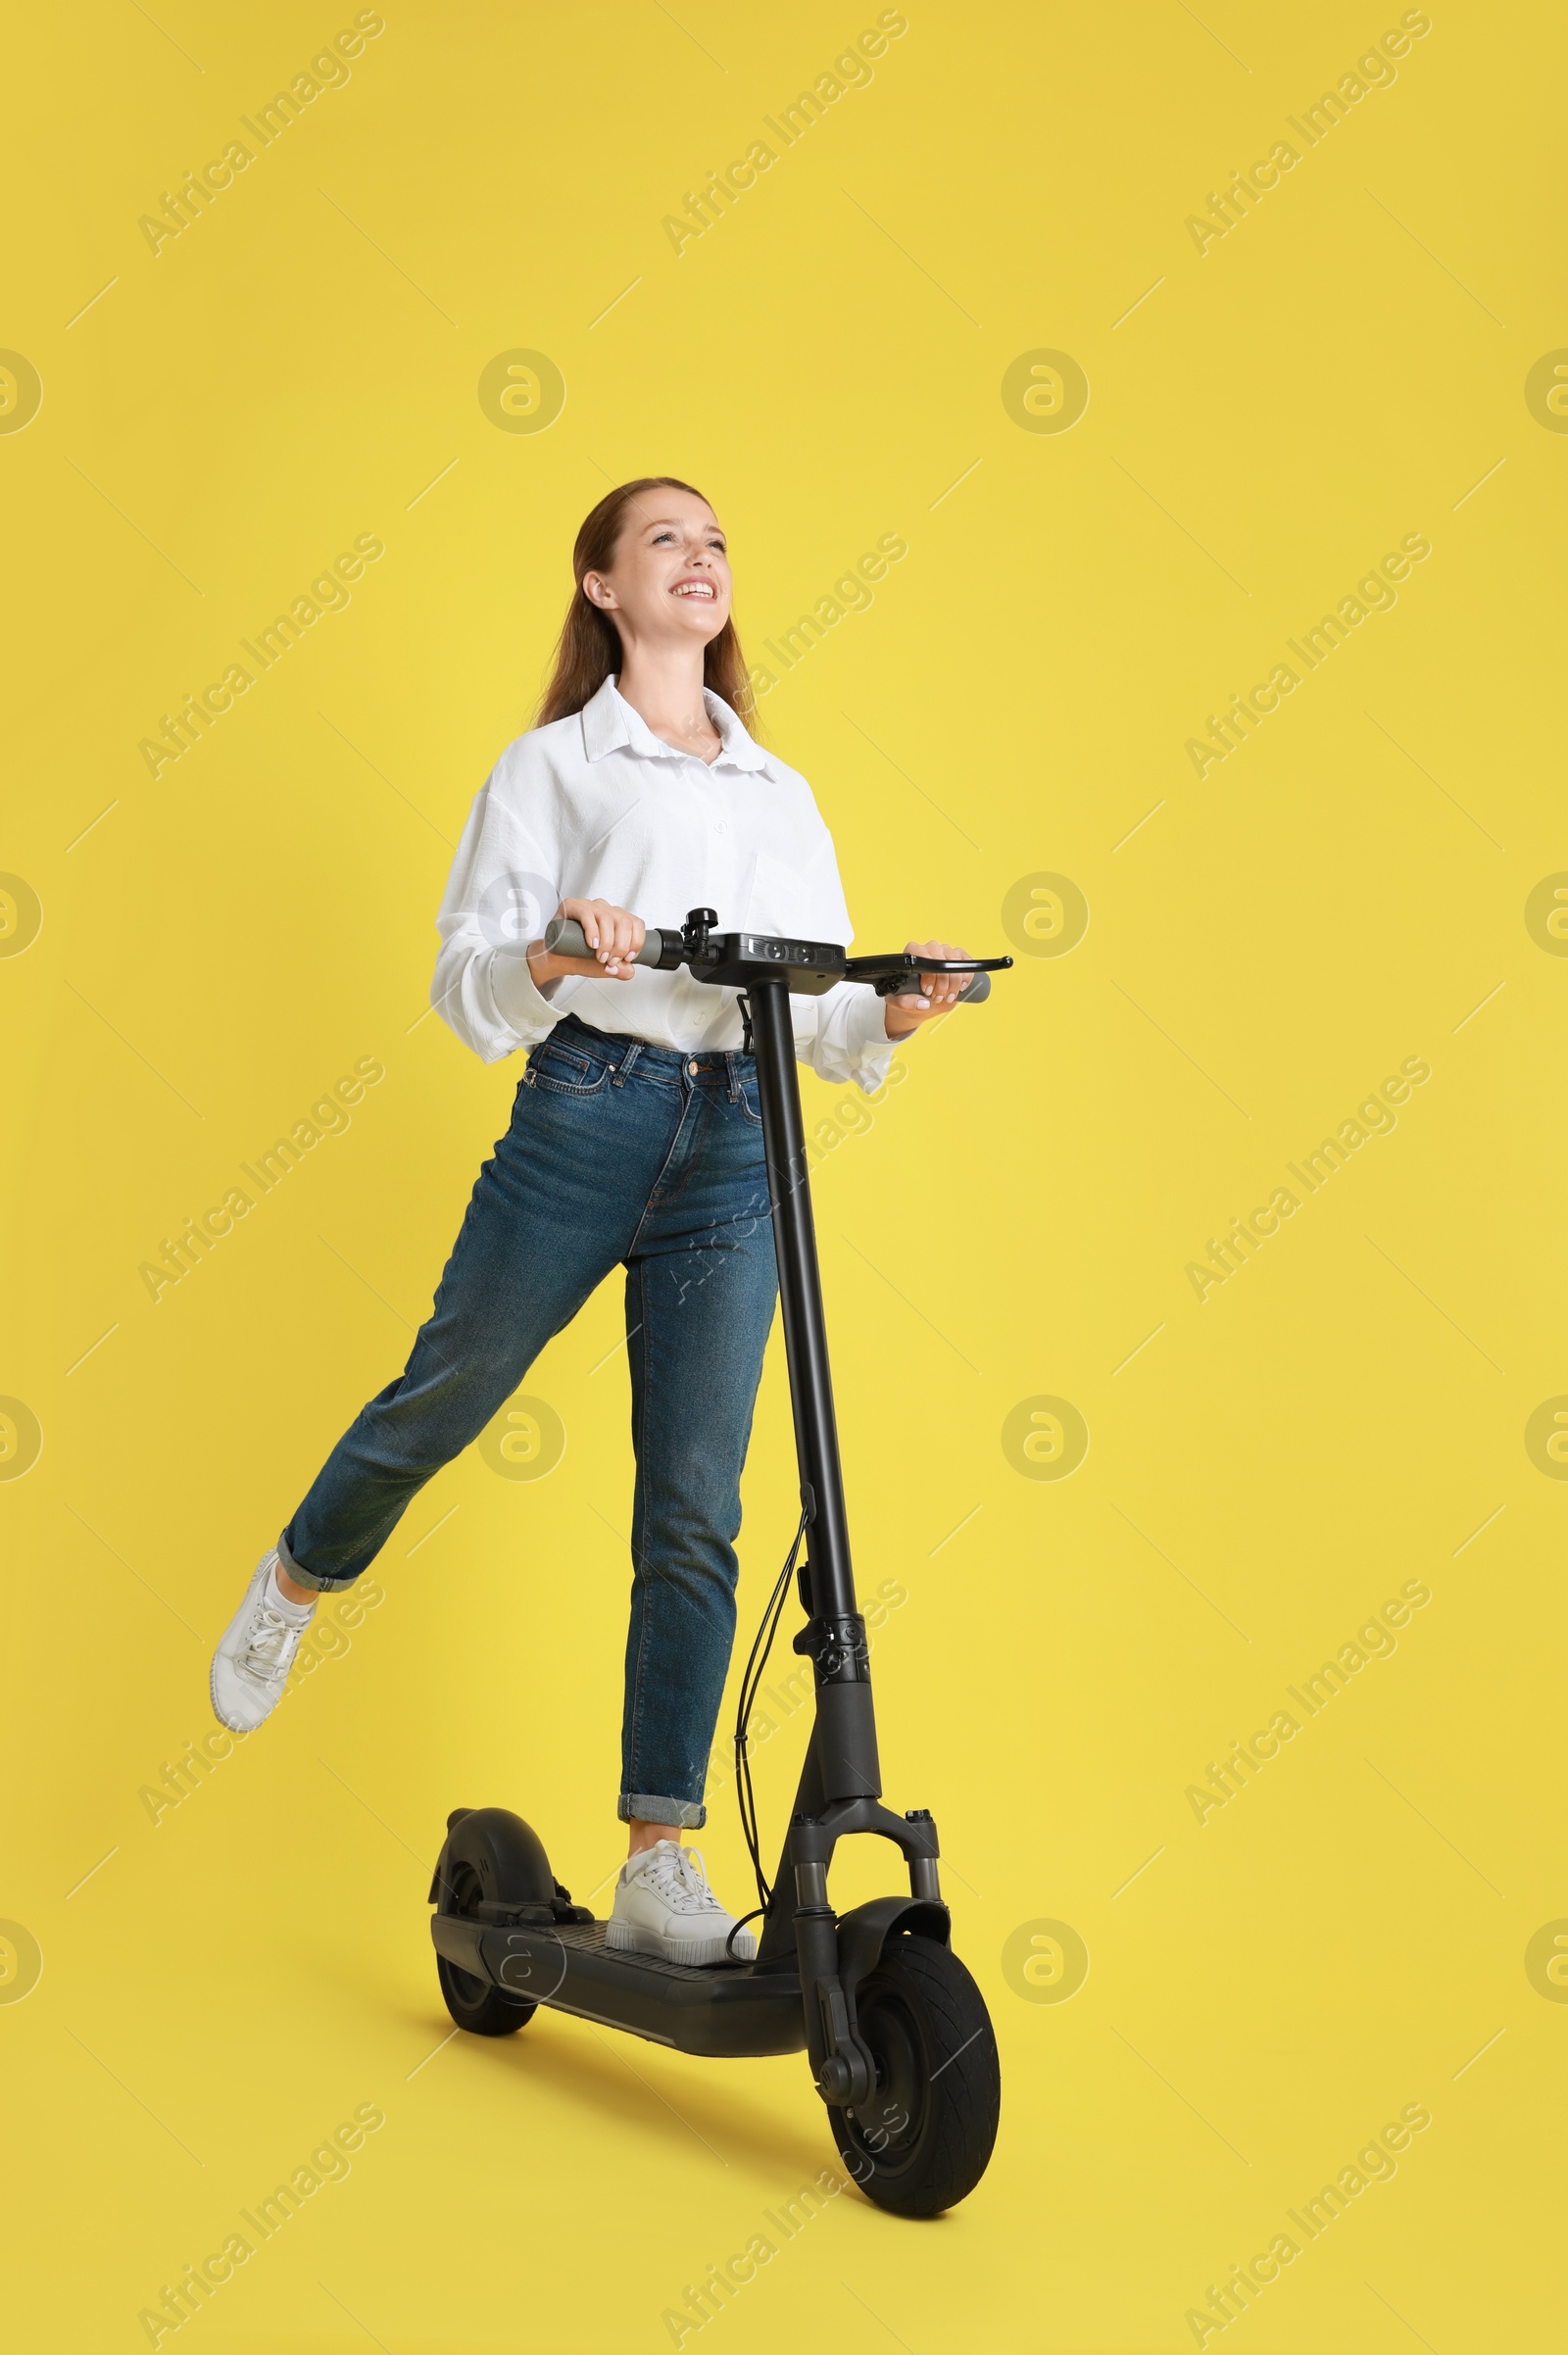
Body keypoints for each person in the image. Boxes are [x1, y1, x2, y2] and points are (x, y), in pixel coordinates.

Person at [210, 475, 969, 1962]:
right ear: (605, 587)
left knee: (696, 1504)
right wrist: (558, 953)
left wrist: (899, 1009)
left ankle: (657, 1859)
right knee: (447, 1392)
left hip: (741, 1137)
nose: (701, 559)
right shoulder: (553, 769)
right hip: (589, 1116)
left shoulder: (780, 793)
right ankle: (296, 1575)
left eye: (718, 541)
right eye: (666, 540)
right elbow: (467, 987)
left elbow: (812, 1009)